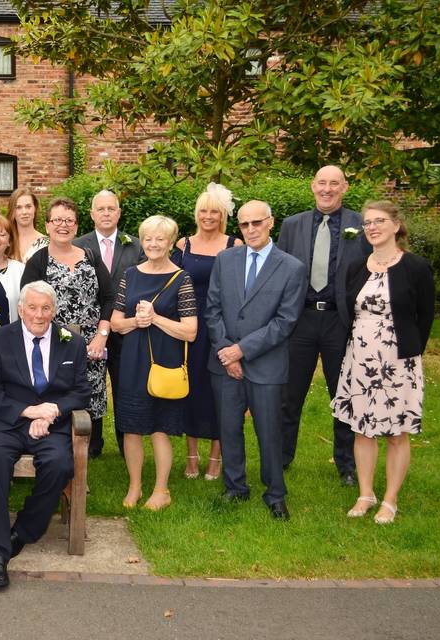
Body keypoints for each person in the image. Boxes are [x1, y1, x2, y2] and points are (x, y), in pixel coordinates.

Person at [0, 281, 91, 589]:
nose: (39, 315)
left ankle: (25, 530)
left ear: (54, 310)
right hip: (9, 424)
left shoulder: (73, 343)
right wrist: (30, 412)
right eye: (32, 307)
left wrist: (52, 409)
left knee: (59, 465)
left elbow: (82, 393)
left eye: (45, 308)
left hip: (51, 427)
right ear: (20, 309)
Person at [331, 201, 434, 524]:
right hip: (360, 359)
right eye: (367, 223)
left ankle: (390, 499)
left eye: (379, 221)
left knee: (396, 433)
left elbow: (426, 317)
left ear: (395, 225)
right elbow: (350, 311)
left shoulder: (415, 267)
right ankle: (366, 494)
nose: (372, 227)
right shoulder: (357, 266)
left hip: (398, 361)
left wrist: (409, 352)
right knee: (362, 430)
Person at [205, 200, 306, 520]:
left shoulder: (291, 267)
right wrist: (226, 351)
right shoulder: (225, 259)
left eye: (257, 223)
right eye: (245, 224)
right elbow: (213, 309)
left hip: (266, 364)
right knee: (229, 427)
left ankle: (275, 493)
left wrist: (242, 350)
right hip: (224, 362)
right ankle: (235, 486)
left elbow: (285, 321)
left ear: (271, 223)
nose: (250, 229)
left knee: (269, 430)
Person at [277, 165, 370, 485]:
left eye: (334, 183)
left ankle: (346, 464)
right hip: (300, 319)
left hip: (339, 321)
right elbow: (280, 273)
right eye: (321, 183)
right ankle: (282, 457)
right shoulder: (292, 225)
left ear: (345, 187)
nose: (327, 189)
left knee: (342, 393)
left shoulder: (360, 225)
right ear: (312, 186)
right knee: (290, 394)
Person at [110, 215, 197, 510]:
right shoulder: (130, 275)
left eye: (160, 239)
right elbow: (116, 322)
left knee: (160, 426)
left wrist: (156, 318)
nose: (153, 244)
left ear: (171, 243)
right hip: (133, 358)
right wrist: (138, 320)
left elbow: (190, 330)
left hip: (165, 359)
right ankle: (134, 486)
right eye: (148, 238)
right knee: (132, 427)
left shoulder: (181, 278)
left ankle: (161, 490)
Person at [21, 197, 114, 459]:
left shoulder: (91, 257)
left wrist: (101, 336)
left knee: (91, 389)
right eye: (58, 220)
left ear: (76, 226)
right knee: (58, 391)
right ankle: (54, 441)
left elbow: (108, 298)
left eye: (69, 220)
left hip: (92, 344)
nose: (64, 225)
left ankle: (91, 446)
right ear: (48, 225)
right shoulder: (38, 262)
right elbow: (27, 303)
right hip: (53, 343)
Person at [170, 183, 242, 481]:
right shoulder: (182, 245)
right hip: (188, 327)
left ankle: (216, 457)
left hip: (221, 328)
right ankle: (191, 455)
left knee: (220, 394)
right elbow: (169, 282)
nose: (208, 216)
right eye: (203, 210)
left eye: (214, 211)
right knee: (191, 389)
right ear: (196, 214)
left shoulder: (235, 246)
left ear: (223, 214)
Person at [74, 189, 144, 456]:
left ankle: (126, 441)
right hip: (91, 329)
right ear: (91, 214)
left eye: (111, 209)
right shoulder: (79, 245)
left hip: (127, 328)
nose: (105, 213)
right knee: (91, 385)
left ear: (119, 213)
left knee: (125, 384)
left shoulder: (135, 246)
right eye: (100, 209)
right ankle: (92, 443)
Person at [6, 186, 48, 262]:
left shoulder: (46, 243)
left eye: (28, 206)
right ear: (12, 211)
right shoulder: (5, 241)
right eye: (18, 207)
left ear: (35, 208)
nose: (24, 212)